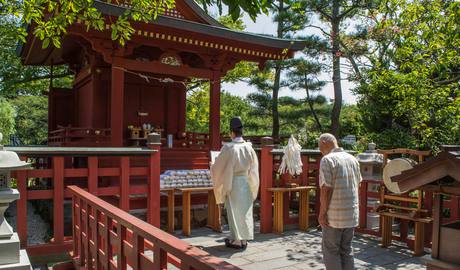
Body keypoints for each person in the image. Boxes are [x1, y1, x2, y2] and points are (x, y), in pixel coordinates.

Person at [210, 117, 259, 249]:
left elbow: (218, 167)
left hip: (233, 182)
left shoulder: (228, 148)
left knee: (234, 211)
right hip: (246, 182)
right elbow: (254, 170)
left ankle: (236, 240)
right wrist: (253, 185)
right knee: (245, 212)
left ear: (232, 132)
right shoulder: (249, 148)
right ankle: (244, 240)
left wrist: (212, 166)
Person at [318, 133, 362, 270]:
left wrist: (322, 213)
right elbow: (359, 185)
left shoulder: (327, 160)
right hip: (351, 213)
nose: (319, 150)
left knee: (331, 251)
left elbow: (326, 189)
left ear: (325, 142)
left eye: (319, 146)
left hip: (334, 215)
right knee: (346, 249)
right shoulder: (353, 159)